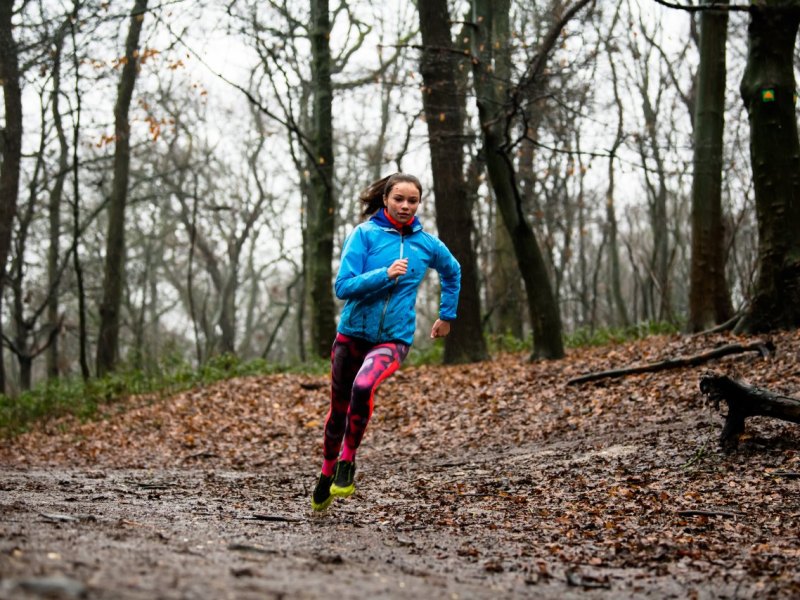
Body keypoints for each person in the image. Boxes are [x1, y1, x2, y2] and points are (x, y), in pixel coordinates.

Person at [311, 173, 461, 511]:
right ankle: (326, 471)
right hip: (352, 335)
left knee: (363, 387)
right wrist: (385, 274)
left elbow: (453, 271)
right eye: (399, 199)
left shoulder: (427, 245)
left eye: (412, 201)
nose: (406, 206)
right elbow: (342, 287)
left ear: (419, 204)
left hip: (393, 339)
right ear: (386, 200)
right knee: (338, 409)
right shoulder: (364, 235)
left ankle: (347, 462)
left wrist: (446, 315)